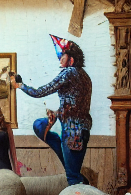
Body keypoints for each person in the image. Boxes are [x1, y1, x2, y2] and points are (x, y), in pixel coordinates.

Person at [12, 36, 92, 186]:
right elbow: (76, 105)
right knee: (41, 126)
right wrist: (57, 113)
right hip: (82, 130)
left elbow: (41, 92)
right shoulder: (85, 76)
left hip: (73, 132)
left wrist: (21, 86)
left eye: (62, 56)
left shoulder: (69, 72)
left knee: (73, 178)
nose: (60, 59)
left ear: (71, 59)